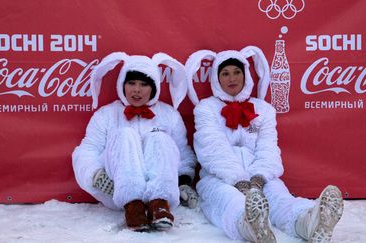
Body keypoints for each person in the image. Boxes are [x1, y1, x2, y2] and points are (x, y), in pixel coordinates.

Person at [185, 46, 344, 243]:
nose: (232, 78)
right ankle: (251, 226)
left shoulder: (263, 110)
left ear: (246, 76)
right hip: (220, 178)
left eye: (237, 72)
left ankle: (310, 222)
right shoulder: (206, 108)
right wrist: (238, 180)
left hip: (260, 175)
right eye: (225, 74)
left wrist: (259, 177)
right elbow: (212, 148)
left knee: (279, 199)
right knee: (229, 201)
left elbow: (268, 147)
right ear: (216, 79)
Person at [72, 52, 198, 232]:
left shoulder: (169, 115)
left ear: (153, 87)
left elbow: (182, 152)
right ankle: (133, 207)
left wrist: (183, 181)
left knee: (159, 138)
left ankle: (159, 204)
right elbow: (87, 150)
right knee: (125, 135)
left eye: (143, 84)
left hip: (162, 191)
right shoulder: (106, 114)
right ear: (122, 85)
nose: (136, 90)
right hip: (116, 191)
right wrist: (96, 176)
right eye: (131, 83)